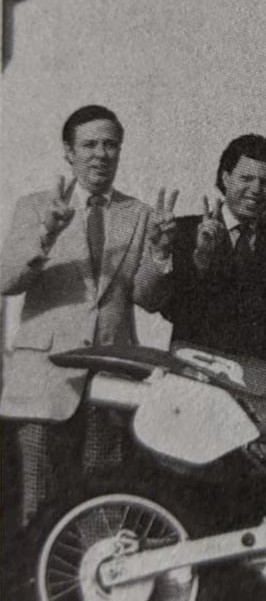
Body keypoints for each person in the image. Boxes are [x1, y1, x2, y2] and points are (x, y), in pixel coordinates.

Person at [0, 105, 171, 525]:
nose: (101, 154)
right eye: (90, 144)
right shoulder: (35, 206)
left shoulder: (142, 214)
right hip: (43, 378)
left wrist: (162, 255)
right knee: (37, 504)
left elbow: (148, 298)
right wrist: (48, 233)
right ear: (69, 152)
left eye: (110, 144)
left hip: (110, 378)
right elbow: (7, 280)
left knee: (103, 501)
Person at [147, 134, 266, 362]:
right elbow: (171, 309)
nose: (256, 189)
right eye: (246, 178)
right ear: (226, 178)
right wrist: (201, 258)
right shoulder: (183, 231)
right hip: (194, 380)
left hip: (259, 387)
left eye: (265, 182)